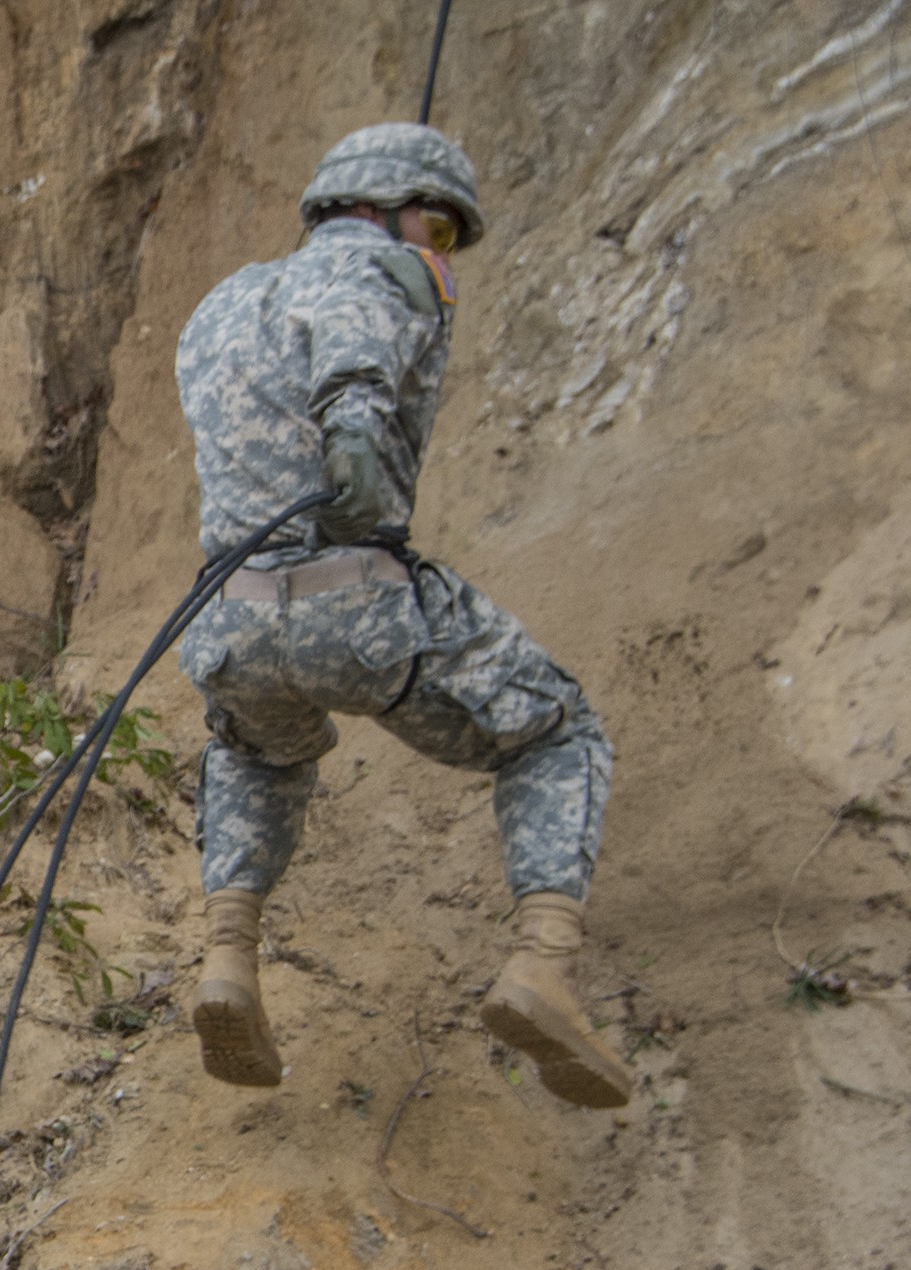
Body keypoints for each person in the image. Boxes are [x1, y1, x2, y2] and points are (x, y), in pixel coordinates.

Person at [172, 121, 635, 1110]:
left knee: (258, 750)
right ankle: (542, 966)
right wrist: (362, 464)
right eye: (444, 231)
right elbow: (354, 377)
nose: (444, 254)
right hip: (356, 605)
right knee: (557, 730)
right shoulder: (378, 275)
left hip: (228, 617)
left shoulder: (219, 305)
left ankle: (227, 959)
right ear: (402, 212)